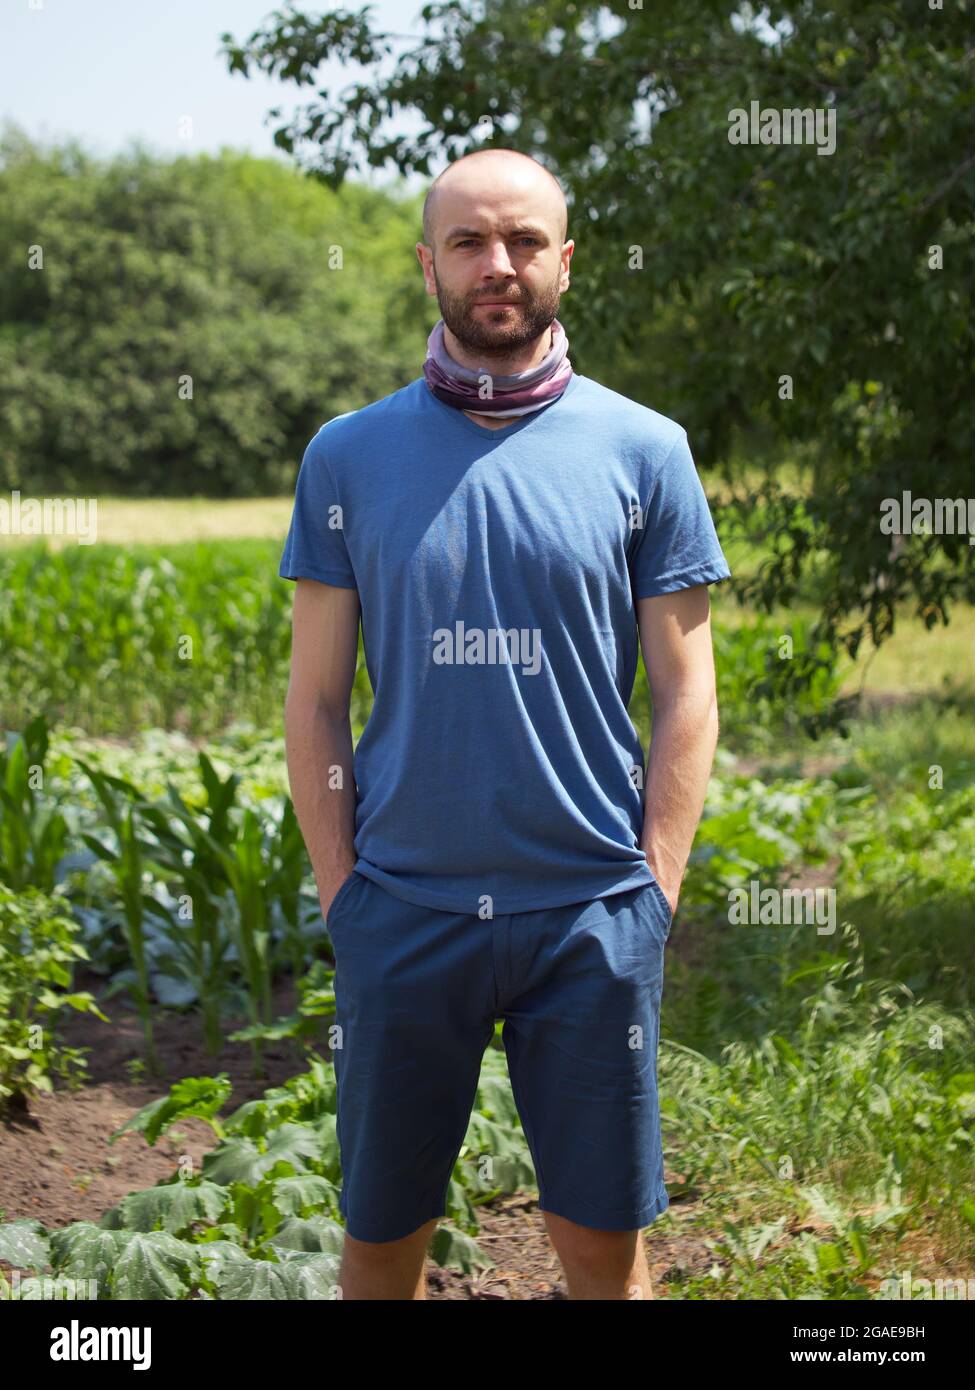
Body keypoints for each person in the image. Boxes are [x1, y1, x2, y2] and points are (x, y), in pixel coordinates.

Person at [279, 148, 731, 1300]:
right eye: (472, 241)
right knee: (382, 1244)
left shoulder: (646, 450)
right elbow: (316, 699)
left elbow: (686, 693)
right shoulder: (348, 454)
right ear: (428, 262)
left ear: (565, 263)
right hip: (406, 910)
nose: (499, 265)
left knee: (599, 1249)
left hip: (589, 916)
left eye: (525, 241)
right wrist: (347, 895)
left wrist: (654, 890)